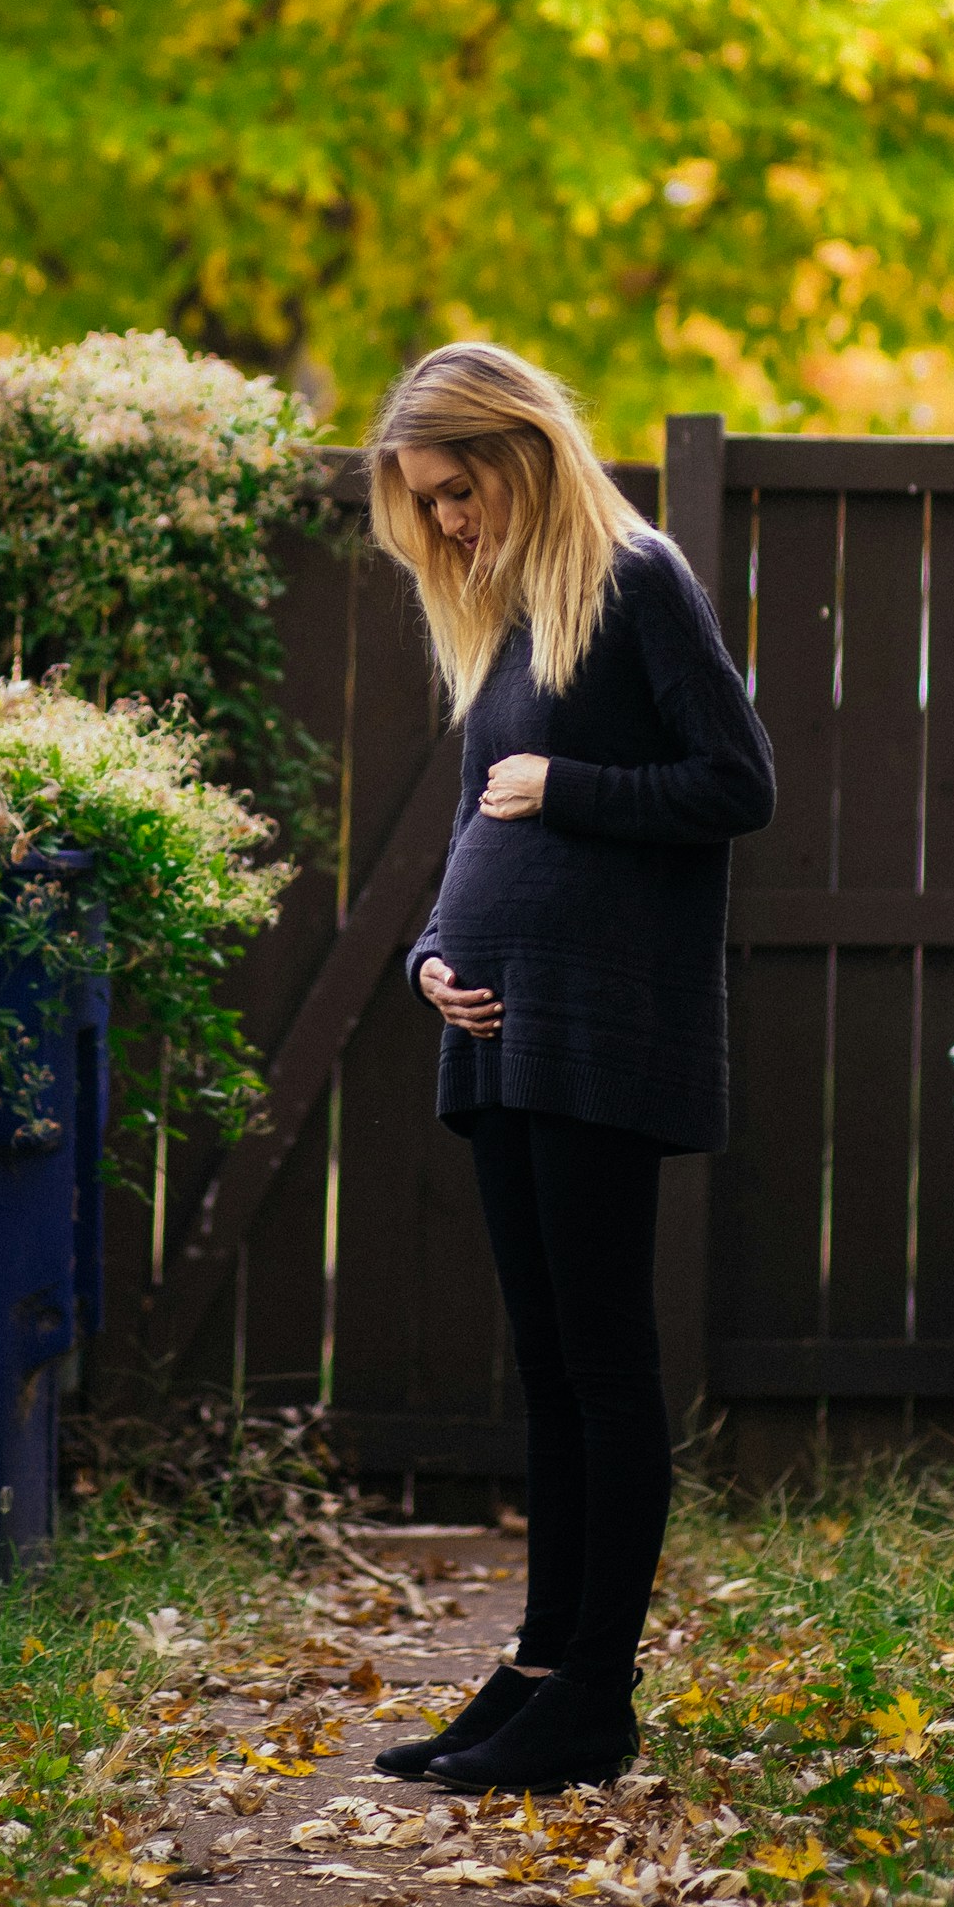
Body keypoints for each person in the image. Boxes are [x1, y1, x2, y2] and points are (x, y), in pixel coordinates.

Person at [363, 342, 774, 1797]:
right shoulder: (511, 617)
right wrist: (428, 955)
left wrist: (576, 788)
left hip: (606, 1029)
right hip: (505, 1031)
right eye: (428, 505)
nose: (451, 524)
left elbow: (739, 782)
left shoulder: (637, 580)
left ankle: (596, 1693)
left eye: (460, 491)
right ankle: (538, 1667)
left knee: (605, 1367)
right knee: (545, 1368)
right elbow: (482, 820)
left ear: (522, 452)